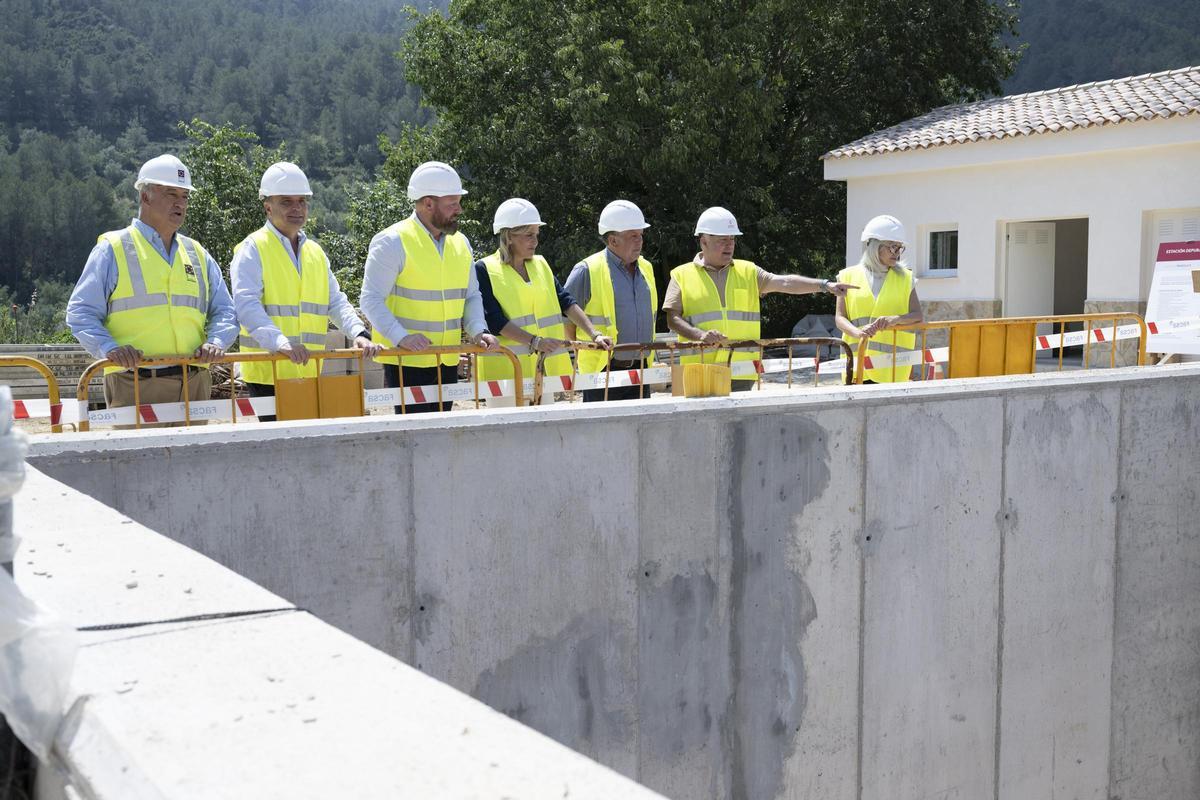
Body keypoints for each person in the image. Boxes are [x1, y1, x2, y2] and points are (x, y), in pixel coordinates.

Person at [66, 154, 238, 419]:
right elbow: (80, 313)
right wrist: (109, 349)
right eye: (171, 194)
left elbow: (226, 310)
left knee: (196, 459)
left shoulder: (197, 253)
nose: (181, 203)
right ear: (145, 197)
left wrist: (216, 341)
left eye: (185, 196)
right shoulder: (113, 249)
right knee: (139, 461)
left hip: (194, 383)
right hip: (134, 382)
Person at [230, 162, 382, 422]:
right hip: (270, 372)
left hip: (309, 369)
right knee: (280, 451)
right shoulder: (252, 248)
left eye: (302, 201)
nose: (297, 208)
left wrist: (358, 333)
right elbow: (246, 307)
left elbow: (335, 301)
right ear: (268, 207)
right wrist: (281, 343)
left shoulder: (315, 253)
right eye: (286, 202)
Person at [663, 207, 855, 389]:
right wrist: (700, 336)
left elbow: (785, 283)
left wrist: (824, 285)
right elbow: (672, 319)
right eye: (723, 240)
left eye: (732, 239)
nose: (730, 245)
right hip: (698, 370)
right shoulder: (682, 275)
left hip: (741, 372)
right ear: (703, 241)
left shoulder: (748, 272)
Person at [360, 161, 498, 414]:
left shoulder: (461, 243)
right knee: (412, 439)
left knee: (441, 436)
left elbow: (471, 296)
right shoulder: (392, 242)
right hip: (406, 361)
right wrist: (402, 337)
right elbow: (370, 300)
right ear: (428, 203)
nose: (459, 209)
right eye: (452, 204)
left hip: (446, 358)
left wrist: (479, 330)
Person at [475, 199, 612, 405]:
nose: (535, 241)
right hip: (506, 374)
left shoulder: (540, 264)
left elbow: (566, 302)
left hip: (543, 367)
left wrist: (595, 334)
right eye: (529, 235)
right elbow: (494, 321)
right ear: (509, 236)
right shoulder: (484, 268)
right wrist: (535, 341)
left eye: (537, 235)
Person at [562, 200, 658, 402]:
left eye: (640, 235)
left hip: (641, 369)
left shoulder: (647, 268)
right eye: (633, 236)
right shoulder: (587, 269)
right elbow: (566, 319)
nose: (639, 241)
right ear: (613, 240)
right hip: (602, 371)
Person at [833, 215, 924, 383]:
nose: (897, 253)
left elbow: (917, 315)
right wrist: (857, 333)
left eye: (899, 248)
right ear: (875, 246)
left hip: (893, 369)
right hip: (856, 364)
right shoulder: (847, 276)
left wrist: (896, 319)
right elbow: (840, 317)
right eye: (892, 247)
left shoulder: (906, 278)